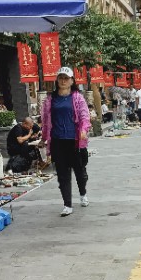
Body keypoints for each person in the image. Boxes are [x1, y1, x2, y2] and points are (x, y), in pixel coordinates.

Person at [41, 67, 90, 217]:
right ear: (57, 80)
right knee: (62, 174)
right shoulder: (50, 99)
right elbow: (45, 120)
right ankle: (67, 204)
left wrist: (83, 129)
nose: (63, 81)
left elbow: (84, 115)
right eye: (61, 78)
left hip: (74, 140)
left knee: (80, 171)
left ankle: (82, 193)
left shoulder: (77, 97)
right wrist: (44, 137)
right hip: (57, 140)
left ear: (72, 81)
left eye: (66, 78)